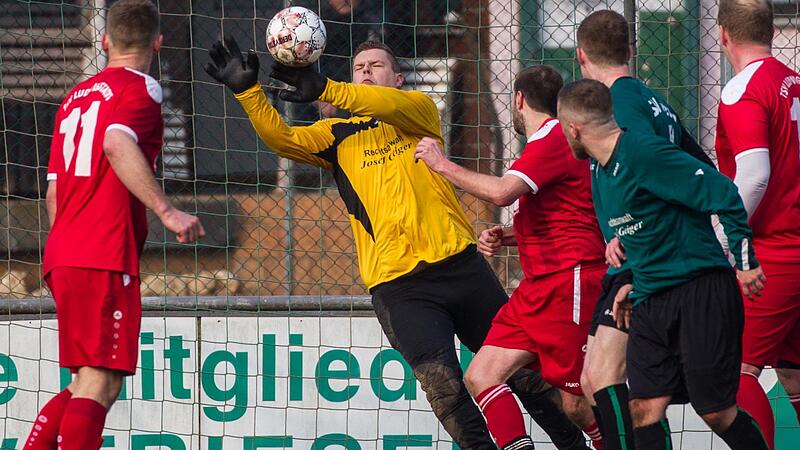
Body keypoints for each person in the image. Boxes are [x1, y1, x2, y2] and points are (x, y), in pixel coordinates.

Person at [204, 38, 590, 450]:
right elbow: (280, 137)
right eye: (359, 67)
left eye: (376, 65)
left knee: (525, 374)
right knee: (444, 387)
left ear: (399, 78)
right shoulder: (335, 135)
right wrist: (247, 92)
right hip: (398, 286)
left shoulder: (418, 113)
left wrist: (327, 88)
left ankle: (574, 445)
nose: (366, 70)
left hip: (460, 267)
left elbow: (387, 105)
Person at [27, 1, 205, 449]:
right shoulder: (142, 89)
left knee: (83, 382)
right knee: (101, 384)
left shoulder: (73, 99)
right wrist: (168, 211)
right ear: (158, 43)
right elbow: (115, 141)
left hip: (64, 250)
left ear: (105, 41)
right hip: (102, 251)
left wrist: (66, 248)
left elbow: (53, 192)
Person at [558, 78, 770, 450]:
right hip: (649, 299)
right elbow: (649, 229)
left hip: (700, 290)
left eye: (562, 129)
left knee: (716, 411)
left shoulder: (644, 153)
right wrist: (632, 284)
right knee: (643, 408)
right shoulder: (602, 172)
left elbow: (723, 192)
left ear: (573, 128)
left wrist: (745, 260)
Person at [414, 65, 606, 450]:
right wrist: (510, 237)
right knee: (483, 374)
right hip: (538, 288)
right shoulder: (549, 142)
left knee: (577, 402)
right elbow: (563, 216)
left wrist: (442, 164)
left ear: (519, 100)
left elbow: (503, 192)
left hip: (570, 281)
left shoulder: (552, 137)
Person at [574, 10, 715, 449]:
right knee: (603, 380)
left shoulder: (621, 105)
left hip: (641, 257)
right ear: (631, 51)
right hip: (645, 253)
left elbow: (646, 175)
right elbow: (701, 169)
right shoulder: (654, 101)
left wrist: (637, 264)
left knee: (605, 378)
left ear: (580, 57)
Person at [715, 1, 800, 447]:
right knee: (792, 372)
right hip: (796, 248)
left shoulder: (743, 89)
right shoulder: (793, 81)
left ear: (724, 34)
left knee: (735, 369)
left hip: (772, 253)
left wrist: (720, 238)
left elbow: (754, 175)